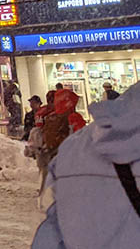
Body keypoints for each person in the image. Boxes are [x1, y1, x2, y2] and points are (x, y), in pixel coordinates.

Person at [31, 83, 140, 248]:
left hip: (63, 158)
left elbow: (52, 239)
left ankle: (40, 198)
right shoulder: (74, 120)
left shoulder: (77, 147)